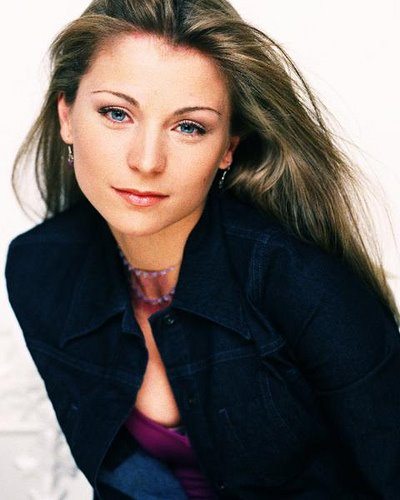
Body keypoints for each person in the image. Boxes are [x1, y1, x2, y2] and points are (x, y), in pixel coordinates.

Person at [4, 0, 400, 498]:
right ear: (66, 115)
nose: (147, 160)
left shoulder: (300, 283)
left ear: (228, 147)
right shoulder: (41, 269)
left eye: (189, 126)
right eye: (116, 113)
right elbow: (121, 477)